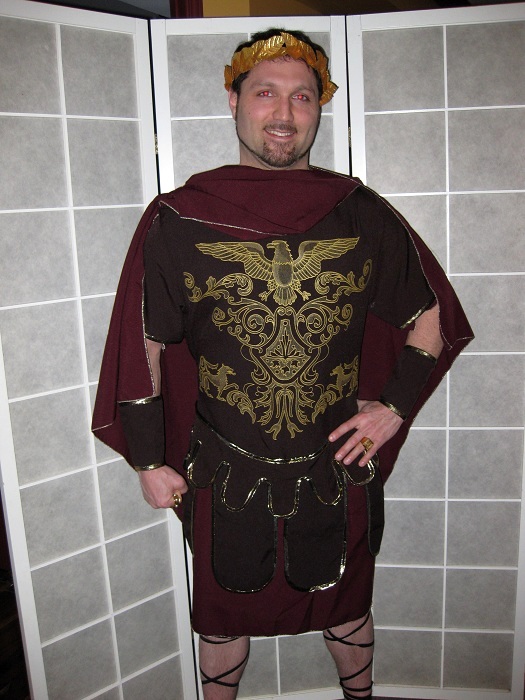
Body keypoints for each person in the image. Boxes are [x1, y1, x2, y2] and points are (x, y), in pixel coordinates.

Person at [93, 29, 473, 700]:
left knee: (347, 609)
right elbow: (144, 343)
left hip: (335, 464)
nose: (284, 114)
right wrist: (148, 461)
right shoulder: (180, 218)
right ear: (234, 101)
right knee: (221, 619)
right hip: (223, 466)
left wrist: (392, 408)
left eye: (302, 97)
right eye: (265, 93)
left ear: (318, 108)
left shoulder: (359, 214)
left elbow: (430, 316)